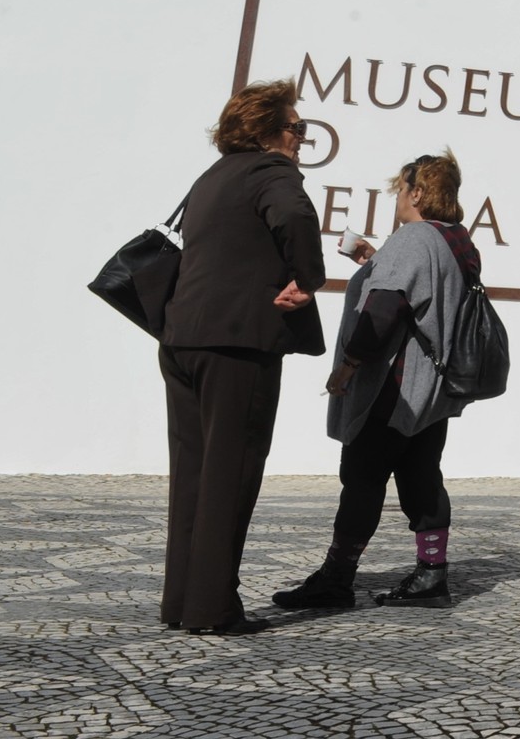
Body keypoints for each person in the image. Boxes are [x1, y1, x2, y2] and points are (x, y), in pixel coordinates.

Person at [272, 151, 481, 611]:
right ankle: (431, 576)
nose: (398, 199)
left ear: (418, 193)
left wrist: (348, 366)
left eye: (401, 190)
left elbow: (384, 311)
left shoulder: (413, 239)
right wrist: (374, 259)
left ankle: (336, 578)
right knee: (422, 476)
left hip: (394, 386)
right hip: (432, 389)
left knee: (362, 478)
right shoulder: (456, 239)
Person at [158, 79, 327, 634]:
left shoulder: (212, 176)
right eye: (297, 128)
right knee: (231, 473)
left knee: (192, 476)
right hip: (237, 343)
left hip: (182, 338)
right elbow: (295, 217)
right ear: (268, 132)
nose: (301, 138)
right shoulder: (271, 171)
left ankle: (181, 602)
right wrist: (308, 278)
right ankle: (212, 609)